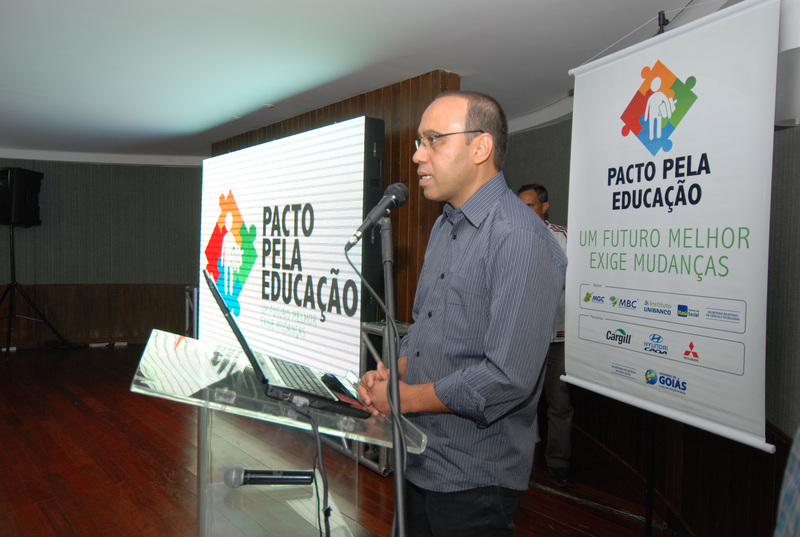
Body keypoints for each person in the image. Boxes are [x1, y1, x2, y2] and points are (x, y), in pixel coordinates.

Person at [358, 91, 567, 536]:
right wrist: (393, 373)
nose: (418, 155)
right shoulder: (444, 225)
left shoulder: (519, 238)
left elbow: (506, 378)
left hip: (474, 477)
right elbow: (429, 332)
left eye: (433, 140)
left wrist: (403, 398)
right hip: (419, 456)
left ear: (480, 147)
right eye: (420, 141)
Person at [517, 183, 574, 487]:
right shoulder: (511, 234)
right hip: (528, 336)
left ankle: (558, 461)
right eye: (519, 205)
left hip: (559, 337)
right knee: (521, 399)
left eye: (528, 205)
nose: (523, 211)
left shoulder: (563, 238)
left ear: (544, 207)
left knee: (559, 402)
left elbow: (573, 279)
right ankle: (520, 459)